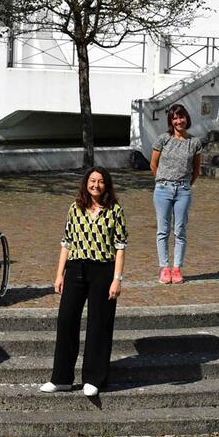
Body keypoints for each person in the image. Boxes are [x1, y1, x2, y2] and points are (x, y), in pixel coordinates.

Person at [41, 167, 127, 398]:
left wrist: (117, 280)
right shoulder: (75, 207)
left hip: (103, 269)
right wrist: (59, 274)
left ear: (106, 185)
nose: (95, 185)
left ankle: (93, 378)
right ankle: (61, 378)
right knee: (66, 320)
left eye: (100, 181)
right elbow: (66, 243)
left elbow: (120, 247)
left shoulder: (115, 210)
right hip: (76, 268)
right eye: (92, 180)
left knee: (99, 324)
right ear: (86, 183)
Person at [150, 103, 201, 285]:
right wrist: (161, 181)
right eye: (175, 118)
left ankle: (177, 268)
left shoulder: (194, 142)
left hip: (183, 190)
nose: (179, 121)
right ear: (171, 121)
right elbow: (153, 164)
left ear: (187, 118)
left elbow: (196, 169)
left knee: (180, 230)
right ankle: (165, 268)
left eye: (181, 117)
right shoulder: (163, 139)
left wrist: (185, 185)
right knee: (163, 230)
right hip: (163, 189)